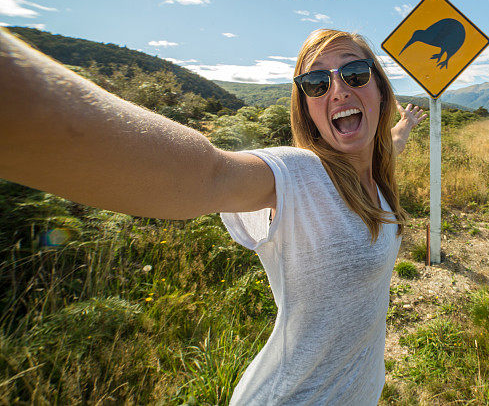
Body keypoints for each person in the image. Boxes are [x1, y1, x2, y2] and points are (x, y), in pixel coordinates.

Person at [0, 27, 427, 404]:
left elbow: (390, 142)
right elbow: (208, 175)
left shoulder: (376, 172)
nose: (337, 90)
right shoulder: (300, 176)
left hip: (361, 391)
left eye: (354, 74)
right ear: (308, 109)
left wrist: (404, 123)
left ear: (380, 88)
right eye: (316, 82)